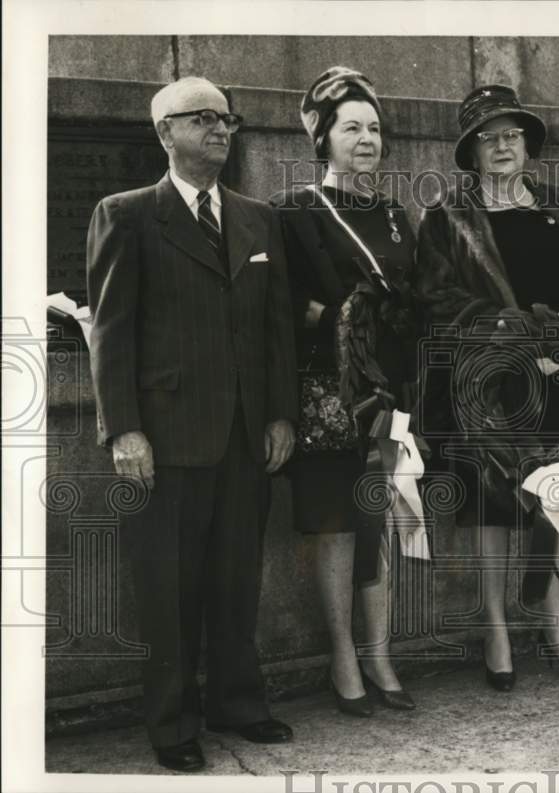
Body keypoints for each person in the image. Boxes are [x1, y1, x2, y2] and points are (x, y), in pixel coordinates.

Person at [86, 76, 298, 772]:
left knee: (237, 576)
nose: (220, 129)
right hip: (168, 436)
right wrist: (124, 429)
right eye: (201, 119)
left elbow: (276, 332)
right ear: (164, 133)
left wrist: (279, 414)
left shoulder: (256, 217)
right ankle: (172, 720)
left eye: (227, 119)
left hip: (244, 435)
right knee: (167, 585)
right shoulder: (128, 214)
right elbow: (111, 334)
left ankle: (237, 701)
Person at [416, 85, 559, 691]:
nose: (502, 146)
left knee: (557, 496)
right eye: (489, 137)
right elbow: (435, 299)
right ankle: (496, 631)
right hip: (489, 385)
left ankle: (556, 627)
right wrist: (510, 334)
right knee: (491, 507)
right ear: (471, 151)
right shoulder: (448, 215)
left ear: (528, 145)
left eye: (512, 135)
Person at [270, 66, 421, 717]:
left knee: (378, 521)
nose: (367, 139)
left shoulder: (392, 215)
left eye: (375, 128)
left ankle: (379, 650)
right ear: (322, 138)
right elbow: (279, 310)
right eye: (351, 126)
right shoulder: (294, 213)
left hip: (387, 395)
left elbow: (415, 302)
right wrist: (324, 318)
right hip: (327, 398)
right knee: (333, 526)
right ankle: (341, 654)